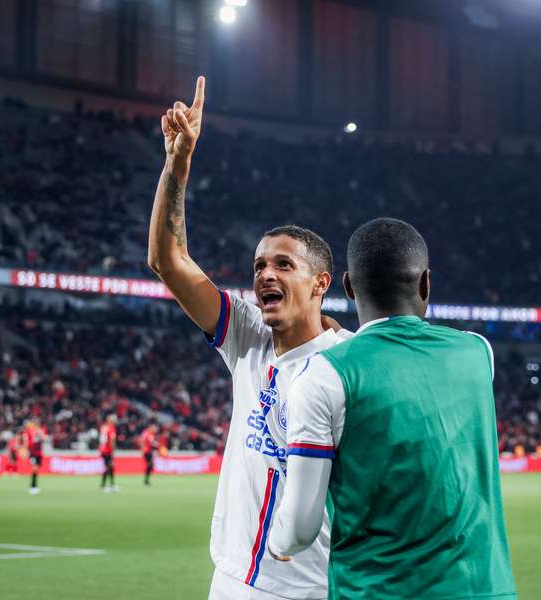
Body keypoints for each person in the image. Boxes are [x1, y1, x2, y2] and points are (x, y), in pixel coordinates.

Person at [147, 76, 350, 600]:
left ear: (321, 283)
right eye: (259, 264)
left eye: (284, 264)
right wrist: (178, 164)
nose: (265, 274)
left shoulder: (350, 362)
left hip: (309, 587)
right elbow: (167, 261)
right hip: (233, 581)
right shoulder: (246, 335)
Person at [267, 218, 517, 600]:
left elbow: (301, 529)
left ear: (349, 287)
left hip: (376, 591)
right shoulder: (478, 352)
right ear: (426, 283)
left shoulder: (324, 376)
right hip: (484, 589)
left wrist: (278, 544)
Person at [22, 419, 47, 495]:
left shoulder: (41, 430)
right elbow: (26, 441)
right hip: (32, 453)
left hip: (39, 453)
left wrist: (40, 434)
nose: (36, 424)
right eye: (35, 422)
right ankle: (33, 487)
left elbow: (44, 439)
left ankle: (34, 486)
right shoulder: (29, 431)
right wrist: (26, 450)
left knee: (37, 469)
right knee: (34, 468)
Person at [99, 415, 118, 493]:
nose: (115, 422)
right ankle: (104, 485)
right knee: (108, 467)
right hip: (107, 451)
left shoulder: (104, 427)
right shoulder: (111, 429)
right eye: (114, 420)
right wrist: (113, 452)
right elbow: (112, 441)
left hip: (102, 450)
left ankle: (112, 484)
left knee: (111, 467)